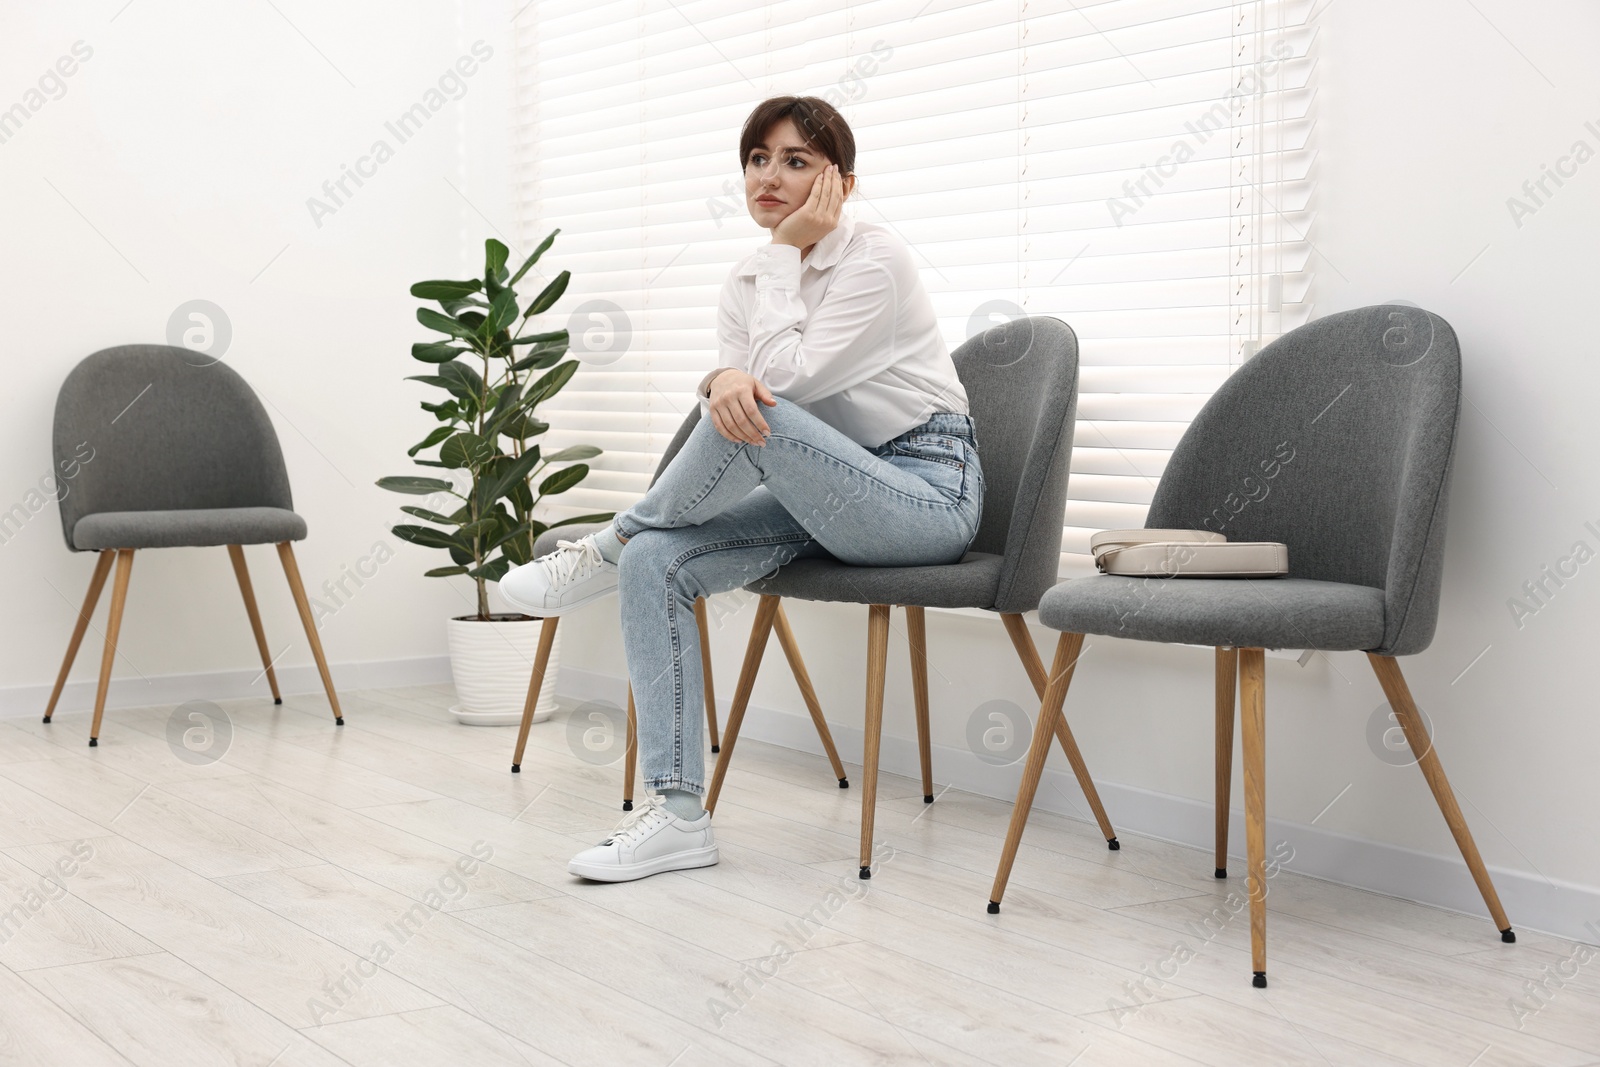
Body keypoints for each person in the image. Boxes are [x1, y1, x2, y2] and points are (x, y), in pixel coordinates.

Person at [500, 95, 983, 882]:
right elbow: (738, 392)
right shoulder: (747, 278)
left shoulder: (875, 259)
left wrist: (782, 267)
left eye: (797, 161)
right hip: (818, 485)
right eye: (759, 159)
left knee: (752, 410)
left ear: (843, 183)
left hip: (922, 493)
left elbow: (780, 383)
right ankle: (680, 815)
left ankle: (603, 545)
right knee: (659, 561)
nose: (770, 175)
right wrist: (727, 368)